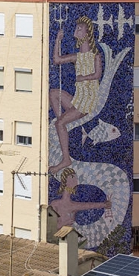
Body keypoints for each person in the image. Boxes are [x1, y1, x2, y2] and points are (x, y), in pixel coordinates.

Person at [49, 16, 103, 173]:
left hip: (87, 101)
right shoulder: (77, 57)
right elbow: (57, 60)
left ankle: (66, 159)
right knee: (53, 93)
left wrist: (83, 78)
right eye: (77, 28)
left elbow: (97, 74)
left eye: (80, 28)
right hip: (78, 99)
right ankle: (65, 123)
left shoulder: (95, 55)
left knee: (59, 124)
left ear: (87, 33)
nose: (76, 30)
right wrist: (58, 40)